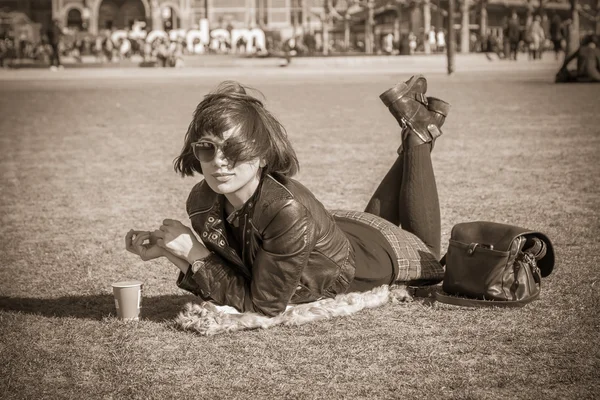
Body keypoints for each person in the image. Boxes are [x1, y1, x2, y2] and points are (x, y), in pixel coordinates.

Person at [125, 77, 450, 317]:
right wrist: (171, 252)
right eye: (207, 148)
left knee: (430, 260)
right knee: (366, 226)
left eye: (235, 150)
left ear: (264, 156)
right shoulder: (202, 200)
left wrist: (194, 252)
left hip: (372, 257)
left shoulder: (286, 211)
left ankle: (418, 133)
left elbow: (263, 304)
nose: (219, 162)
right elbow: (236, 276)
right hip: (329, 231)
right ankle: (417, 125)